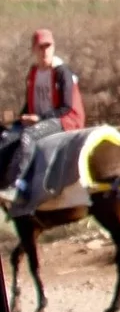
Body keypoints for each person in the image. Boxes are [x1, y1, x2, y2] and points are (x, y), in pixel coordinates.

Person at [0, 29, 86, 210]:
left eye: (48, 46)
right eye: (41, 47)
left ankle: (19, 188)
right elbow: (31, 102)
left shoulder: (62, 72)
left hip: (64, 119)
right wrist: (22, 117)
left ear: (53, 47)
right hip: (39, 119)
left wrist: (39, 118)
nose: (45, 51)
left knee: (28, 137)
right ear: (33, 50)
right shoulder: (33, 73)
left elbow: (66, 107)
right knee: (7, 136)